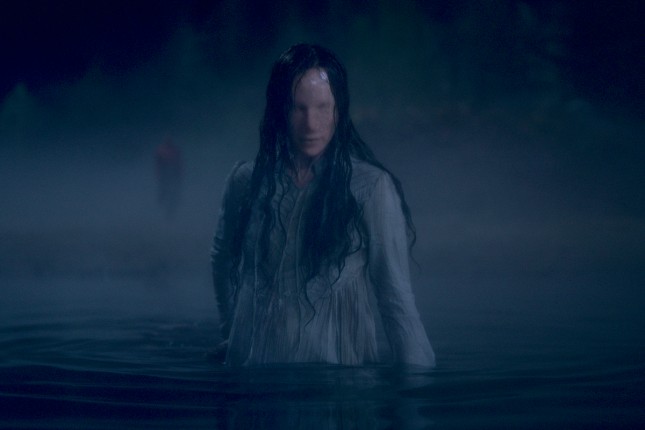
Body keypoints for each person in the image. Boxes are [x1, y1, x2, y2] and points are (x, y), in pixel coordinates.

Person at [211, 43, 435, 367]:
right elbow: (222, 259)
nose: (311, 124)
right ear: (279, 110)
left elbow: (396, 300)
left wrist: (417, 386)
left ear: (338, 111)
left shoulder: (370, 188)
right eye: (298, 108)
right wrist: (232, 332)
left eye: (322, 108)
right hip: (255, 380)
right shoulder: (246, 181)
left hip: (338, 380)